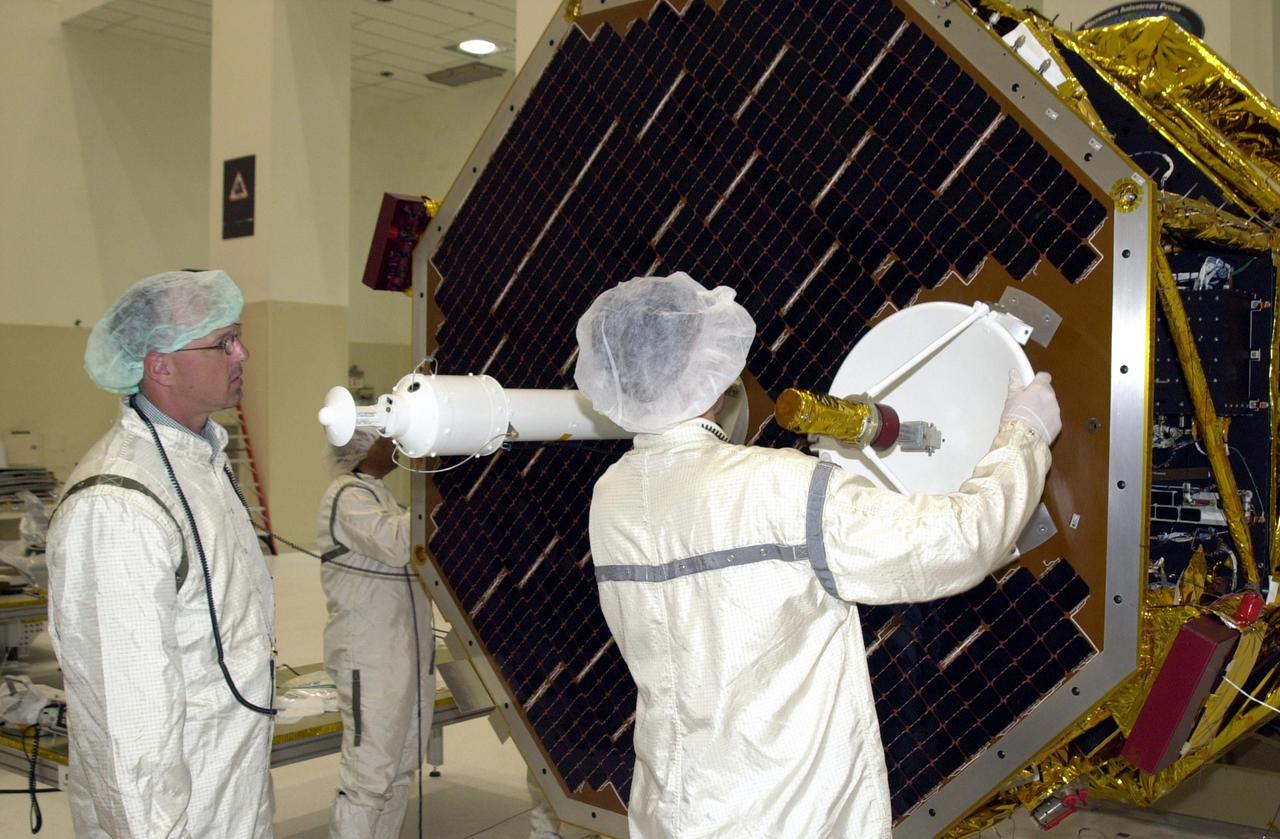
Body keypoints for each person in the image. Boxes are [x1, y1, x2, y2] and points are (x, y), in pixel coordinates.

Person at [573, 272, 1061, 839]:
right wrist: (1022, 434)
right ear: (707, 366)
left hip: (668, 813)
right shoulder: (780, 488)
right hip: (788, 818)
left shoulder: (610, 497)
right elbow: (960, 540)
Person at [45, 270, 275, 837]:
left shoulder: (201, 466)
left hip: (229, 787)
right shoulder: (119, 504)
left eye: (237, 336)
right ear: (160, 365)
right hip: (169, 818)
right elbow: (132, 721)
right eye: (223, 342)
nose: (242, 353)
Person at [318, 429, 434, 838]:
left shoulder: (379, 495)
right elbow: (401, 543)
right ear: (363, 448)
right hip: (369, 658)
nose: (397, 444)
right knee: (370, 775)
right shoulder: (346, 496)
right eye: (387, 438)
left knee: (400, 768)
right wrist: (438, 495)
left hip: (404, 654)